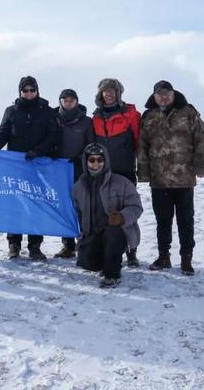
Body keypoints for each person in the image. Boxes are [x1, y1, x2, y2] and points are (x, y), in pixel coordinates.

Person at [137, 80, 204, 276]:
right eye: (159, 94)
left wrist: (202, 166)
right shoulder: (149, 117)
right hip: (159, 180)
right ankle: (164, 257)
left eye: (167, 93)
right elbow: (142, 146)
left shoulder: (188, 112)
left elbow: (201, 139)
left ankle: (187, 259)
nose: (163, 97)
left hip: (184, 178)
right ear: (154, 96)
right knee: (163, 221)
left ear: (173, 93)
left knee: (186, 220)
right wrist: (143, 173)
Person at [0, 75, 58, 260]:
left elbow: (53, 135)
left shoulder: (47, 111)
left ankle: (35, 246)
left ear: (37, 91)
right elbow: (4, 132)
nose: (29, 93)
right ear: (20, 92)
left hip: (38, 166)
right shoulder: (11, 111)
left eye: (32, 90)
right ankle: (14, 244)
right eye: (25, 90)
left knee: (36, 205)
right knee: (15, 206)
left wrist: (38, 151)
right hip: (16, 167)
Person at [73, 143, 143, 288]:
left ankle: (113, 275)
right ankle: (104, 262)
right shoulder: (78, 186)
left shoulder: (121, 182)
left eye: (100, 160)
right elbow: (76, 212)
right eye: (92, 160)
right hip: (93, 232)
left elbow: (136, 206)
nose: (96, 164)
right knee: (87, 263)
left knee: (113, 234)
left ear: (106, 161)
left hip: (116, 231)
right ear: (86, 162)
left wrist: (122, 217)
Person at [91, 78, 142, 267]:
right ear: (101, 94)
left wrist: (140, 167)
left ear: (119, 93)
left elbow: (139, 142)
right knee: (104, 212)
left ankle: (132, 250)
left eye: (113, 90)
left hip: (125, 171)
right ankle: (110, 249)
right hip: (102, 173)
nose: (109, 94)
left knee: (127, 212)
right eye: (105, 91)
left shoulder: (131, 114)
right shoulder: (96, 117)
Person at [53, 88, 94, 259]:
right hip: (58, 170)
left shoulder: (86, 121)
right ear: (60, 101)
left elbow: (92, 144)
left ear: (76, 102)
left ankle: (84, 243)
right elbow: (48, 138)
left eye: (72, 100)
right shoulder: (53, 119)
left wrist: (81, 158)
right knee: (65, 207)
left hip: (80, 169)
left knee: (83, 207)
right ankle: (68, 245)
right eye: (65, 100)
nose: (68, 103)